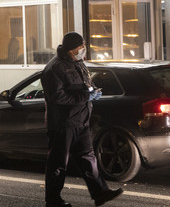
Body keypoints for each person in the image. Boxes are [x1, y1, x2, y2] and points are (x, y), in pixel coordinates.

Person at [41, 31, 123, 207]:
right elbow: (57, 97)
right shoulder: (54, 68)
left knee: (88, 157)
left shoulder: (78, 63)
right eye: (81, 46)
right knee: (58, 163)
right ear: (71, 49)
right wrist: (85, 97)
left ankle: (100, 193)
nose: (83, 49)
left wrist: (93, 90)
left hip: (81, 120)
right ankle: (53, 200)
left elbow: (85, 84)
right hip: (63, 123)